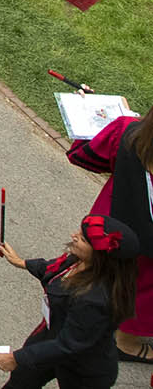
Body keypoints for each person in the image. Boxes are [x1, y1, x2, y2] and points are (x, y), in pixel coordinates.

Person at [0, 214, 139, 389]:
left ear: (100, 255)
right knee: (21, 380)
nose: (73, 236)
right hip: (50, 341)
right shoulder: (79, 261)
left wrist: (15, 358)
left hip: (81, 367)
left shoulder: (94, 300)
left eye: (82, 239)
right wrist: (21, 262)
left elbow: (69, 345)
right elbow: (53, 269)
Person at [63, 109, 153, 363]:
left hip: (108, 226)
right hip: (148, 248)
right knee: (144, 287)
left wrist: (94, 115)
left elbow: (83, 156)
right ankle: (127, 341)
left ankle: (72, 314)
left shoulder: (127, 128)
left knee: (95, 270)